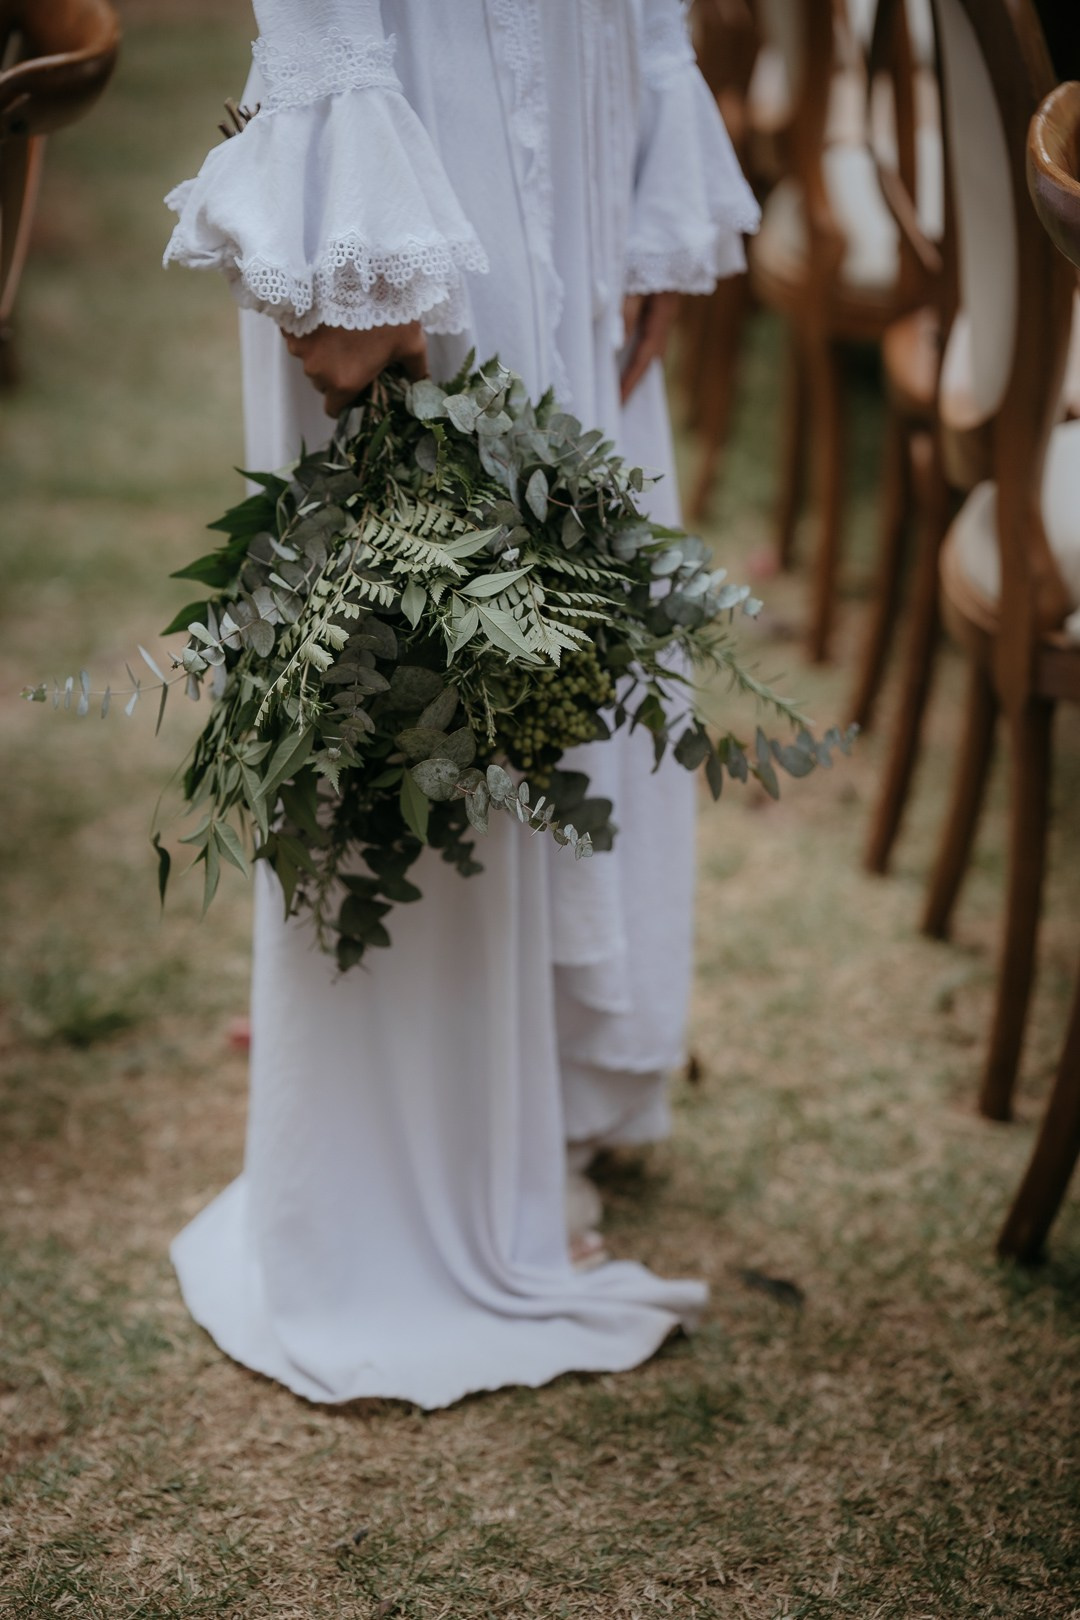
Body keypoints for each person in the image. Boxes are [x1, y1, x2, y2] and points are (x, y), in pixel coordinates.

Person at [163, 0, 759, 1410]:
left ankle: (550, 1094)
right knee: (420, 627)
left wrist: (650, 128)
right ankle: (417, 1157)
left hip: (581, 56)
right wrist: (354, 267)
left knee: (566, 583)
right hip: (409, 95)